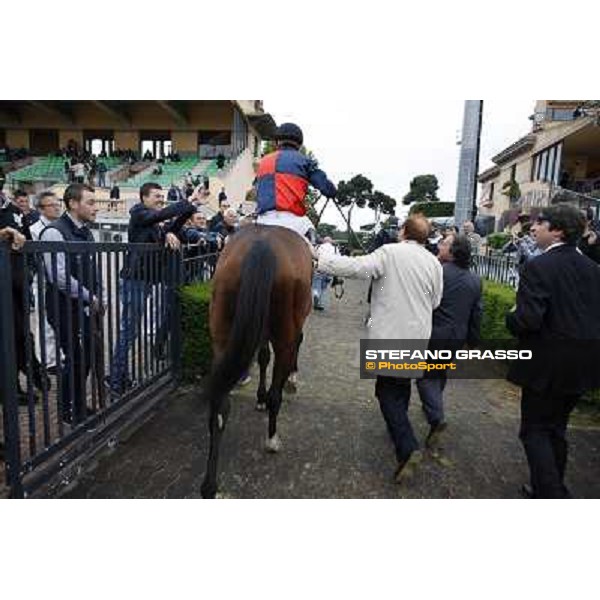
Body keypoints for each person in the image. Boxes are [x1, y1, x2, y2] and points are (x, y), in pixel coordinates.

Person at [316, 215, 443, 482]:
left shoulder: (390, 252)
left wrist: (323, 256)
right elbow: (435, 301)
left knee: (385, 392)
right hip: (418, 335)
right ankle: (400, 431)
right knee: (401, 385)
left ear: (404, 232)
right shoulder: (434, 261)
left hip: (390, 333)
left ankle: (407, 447)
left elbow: (356, 268)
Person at [506, 204, 600, 498]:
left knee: (534, 431)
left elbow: (527, 320)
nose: (533, 228)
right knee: (556, 429)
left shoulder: (538, 266)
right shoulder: (593, 269)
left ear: (557, 230)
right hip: (584, 365)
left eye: (539, 223)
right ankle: (551, 486)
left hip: (546, 365)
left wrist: (513, 315)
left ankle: (551, 496)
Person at [109, 182, 197, 395]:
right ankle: (114, 380)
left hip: (144, 281)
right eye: (157, 196)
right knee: (128, 331)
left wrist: (190, 207)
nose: (161, 199)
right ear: (143, 198)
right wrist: (185, 202)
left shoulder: (154, 222)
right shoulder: (139, 213)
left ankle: (119, 375)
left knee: (131, 331)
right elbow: (157, 219)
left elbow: (172, 228)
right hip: (134, 281)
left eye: (162, 196)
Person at [39, 183, 102, 425]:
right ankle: (67, 409)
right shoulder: (55, 232)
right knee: (75, 358)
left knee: (83, 358)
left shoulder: (85, 231)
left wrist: (99, 296)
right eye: (90, 202)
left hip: (83, 306)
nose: (95, 207)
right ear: (73, 204)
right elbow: (60, 277)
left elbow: (93, 270)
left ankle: (76, 403)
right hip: (64, 307)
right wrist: (90, 297)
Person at [415, 233, 482, 446]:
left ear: (453, 251)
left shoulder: (438, 272)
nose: (439, 246)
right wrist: (473, 340)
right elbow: (477, 313)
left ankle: (436, 417)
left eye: (444, 244)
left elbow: (421, 303)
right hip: (457, 336)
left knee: (425, 377)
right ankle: (433, 407)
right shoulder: (475, 279)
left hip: (434, 334)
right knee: (439, 372)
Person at [254, 122, 336, 244]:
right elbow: (326, 187)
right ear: (299, 144)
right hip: (293, 221)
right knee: (317, 248)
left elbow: (257, 188)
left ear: (278, 142)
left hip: (262, 220)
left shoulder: (263, 161)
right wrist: (332, 192)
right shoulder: (304, 161)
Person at [29, 192, 62, 371]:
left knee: (58, 318)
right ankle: (47, 360)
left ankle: (59, 355)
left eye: (58, 204)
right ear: (41, 209)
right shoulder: (34, 229)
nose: (57, 207)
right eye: (52, 205)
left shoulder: (60, 227)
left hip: (58, 279)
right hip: (42, 280)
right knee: (45, 321)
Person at [312, 236, 336, 310]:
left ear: (323, 241)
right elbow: (338, 260)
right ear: (331, 242)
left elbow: (314, 256)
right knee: (323, 288)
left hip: (318, 268)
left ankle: (316, 294)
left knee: (316, 284)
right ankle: (320, 303)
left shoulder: (318, 247)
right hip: (328, 270)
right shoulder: (335, 249)